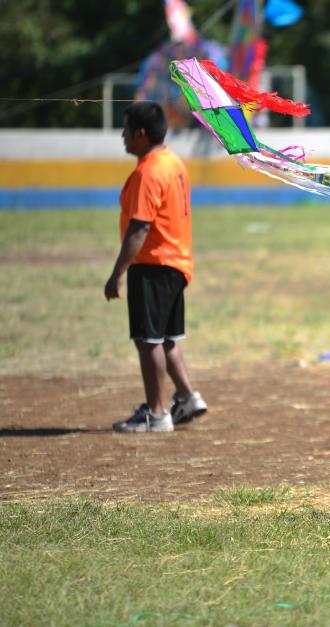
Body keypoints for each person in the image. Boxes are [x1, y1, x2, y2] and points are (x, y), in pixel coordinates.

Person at [105, 102, 208, 433]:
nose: (122, 136)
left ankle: (157, 413)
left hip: (153, 263)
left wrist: (118, 272)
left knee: (148, 340)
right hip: (176, 261)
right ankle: (188, 397)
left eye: (125, 130)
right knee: (167, 338)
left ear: (140, 134)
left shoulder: (148, 171)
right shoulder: (172, 162)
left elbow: (140, 228)